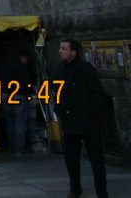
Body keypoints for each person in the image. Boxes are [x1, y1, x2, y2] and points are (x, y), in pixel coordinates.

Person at [56, 39, 108, 198]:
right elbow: (55, 91)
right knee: (71, 160)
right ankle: (75, 188)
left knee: (96, 160)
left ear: (73, 52)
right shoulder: (60, 69)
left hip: (87, 122)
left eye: (64, 48)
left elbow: (99, 95)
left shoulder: (86, 69)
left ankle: (102, 192)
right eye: (60, 48)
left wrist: (87, 112)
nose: (60, 51)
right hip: (69, 121)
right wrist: (59, 110)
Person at [0, 51, 33, 154]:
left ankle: (12, 145)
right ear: (24, 58)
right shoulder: (21, 68)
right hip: (18, 95)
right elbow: (27, 82)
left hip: (5, 94)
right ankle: (19, 148)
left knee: (9, 121)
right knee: (20, 122)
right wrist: (30, 92)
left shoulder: (6, 66)